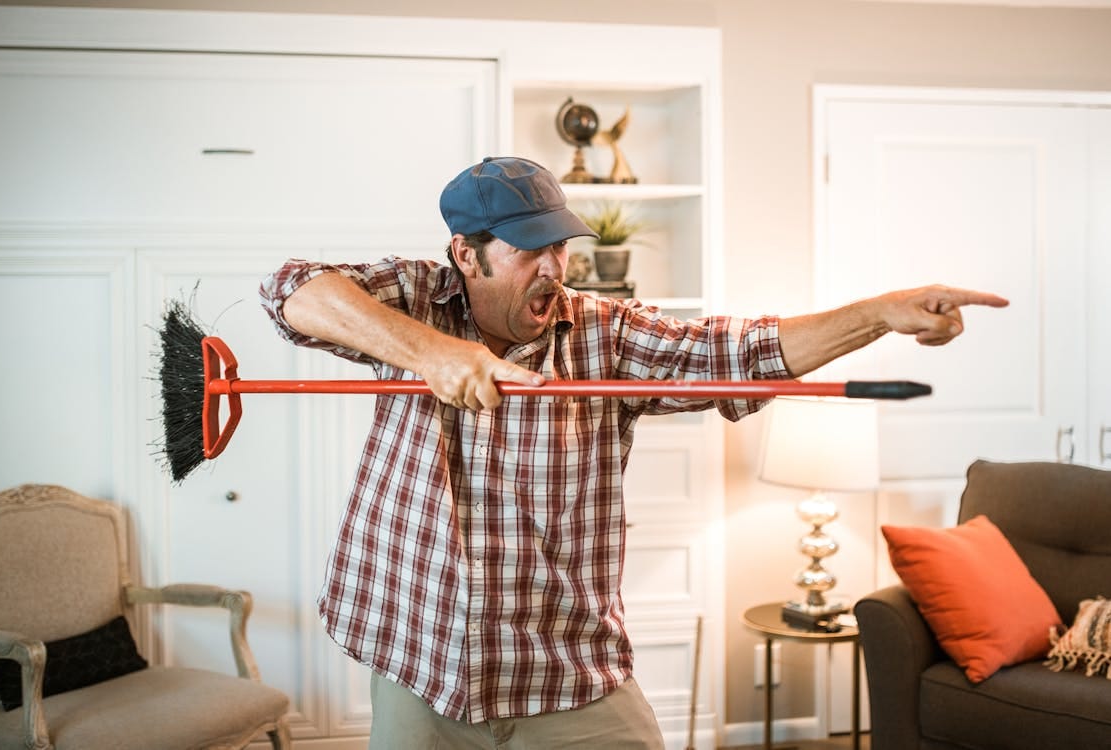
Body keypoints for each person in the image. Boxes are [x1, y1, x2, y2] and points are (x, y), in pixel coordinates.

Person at [260, 156, 1008, 749]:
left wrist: (878, 314)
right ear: (467, 254)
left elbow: (739, 351)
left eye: (557, 245)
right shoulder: (413, 298)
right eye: (526, 250)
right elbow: (289, 289)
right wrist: (430, 352)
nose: (552, 268)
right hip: (423, 665)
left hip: (564, 671)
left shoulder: (603, 333)